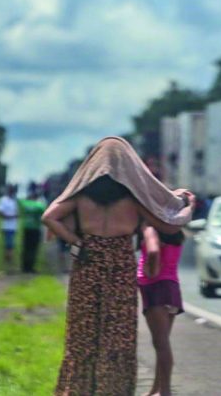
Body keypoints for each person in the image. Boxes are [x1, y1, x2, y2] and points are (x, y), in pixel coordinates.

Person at [41, 137, 194, 396]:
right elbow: (170, 224)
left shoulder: (81, 197)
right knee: (118, 334)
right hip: (120, 266)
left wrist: (76, 242)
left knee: (83, 332)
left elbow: (49, 217)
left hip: (88, 263)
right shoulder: (134, 199)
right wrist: (189, 208)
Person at [137, 226, 185, 396]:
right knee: (162, 343)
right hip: (171, 287)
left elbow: (153, 251)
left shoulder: (151, 230)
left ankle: (165, 391)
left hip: (155, 287)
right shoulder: (176, 232)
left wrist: (151, 270)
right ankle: (156, 388)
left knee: (161, 343)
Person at [18, 183, 47, 273]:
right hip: (35, 228)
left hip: (26, 227)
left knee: (26, 248)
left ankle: (24, 267)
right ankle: (30, 267)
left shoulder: (25, 204)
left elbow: (19, 201)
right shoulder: (39, 205)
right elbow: (44, 213)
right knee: (33, 249)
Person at [0, 184, 19, 270]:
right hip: (7, 226)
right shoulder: (3, 200)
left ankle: (7, 263)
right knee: (9, 246)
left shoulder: (14, 200)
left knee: (10, 246)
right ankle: (9, 264)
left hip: (13, 226)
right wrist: (9, 217)